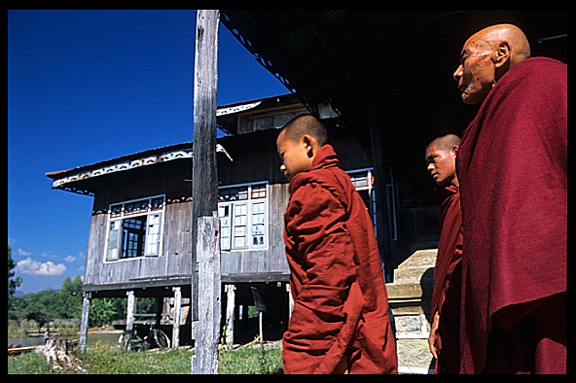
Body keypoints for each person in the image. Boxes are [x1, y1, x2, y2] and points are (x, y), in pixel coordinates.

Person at [453, 24, 566, 374]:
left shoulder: (548, 80)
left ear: (501, 55)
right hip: (502, 289)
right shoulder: (488, 118)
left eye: (466, 57)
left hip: (551, 284)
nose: (457, 72)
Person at [276, 114, 398, 374]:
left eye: (283, 154)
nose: (282, 167)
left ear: (307, 145)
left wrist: (302, 344)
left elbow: (328, 276)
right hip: (362, 317)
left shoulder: (315, 191)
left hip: (341, 328)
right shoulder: (339, 180)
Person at [424, 134, 463, 374]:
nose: (429, 167)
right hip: (453, 305)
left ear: (456, 152)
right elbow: (449, 262)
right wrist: (438, 312)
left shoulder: (474, 197)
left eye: (434, 158)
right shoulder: (451, 203)